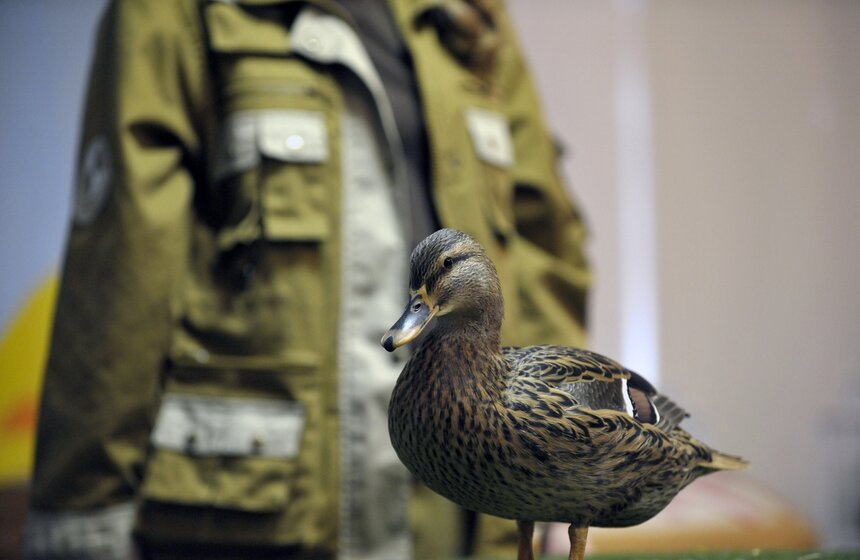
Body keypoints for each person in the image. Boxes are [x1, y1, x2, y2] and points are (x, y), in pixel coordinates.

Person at [24, 0, 591, 558]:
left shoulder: (469, 15)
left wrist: (558, 458)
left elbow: (544, 246)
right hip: (254, 518)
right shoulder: (176, 13)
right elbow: (120, 270)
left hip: (464, 516)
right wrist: (83, 512)